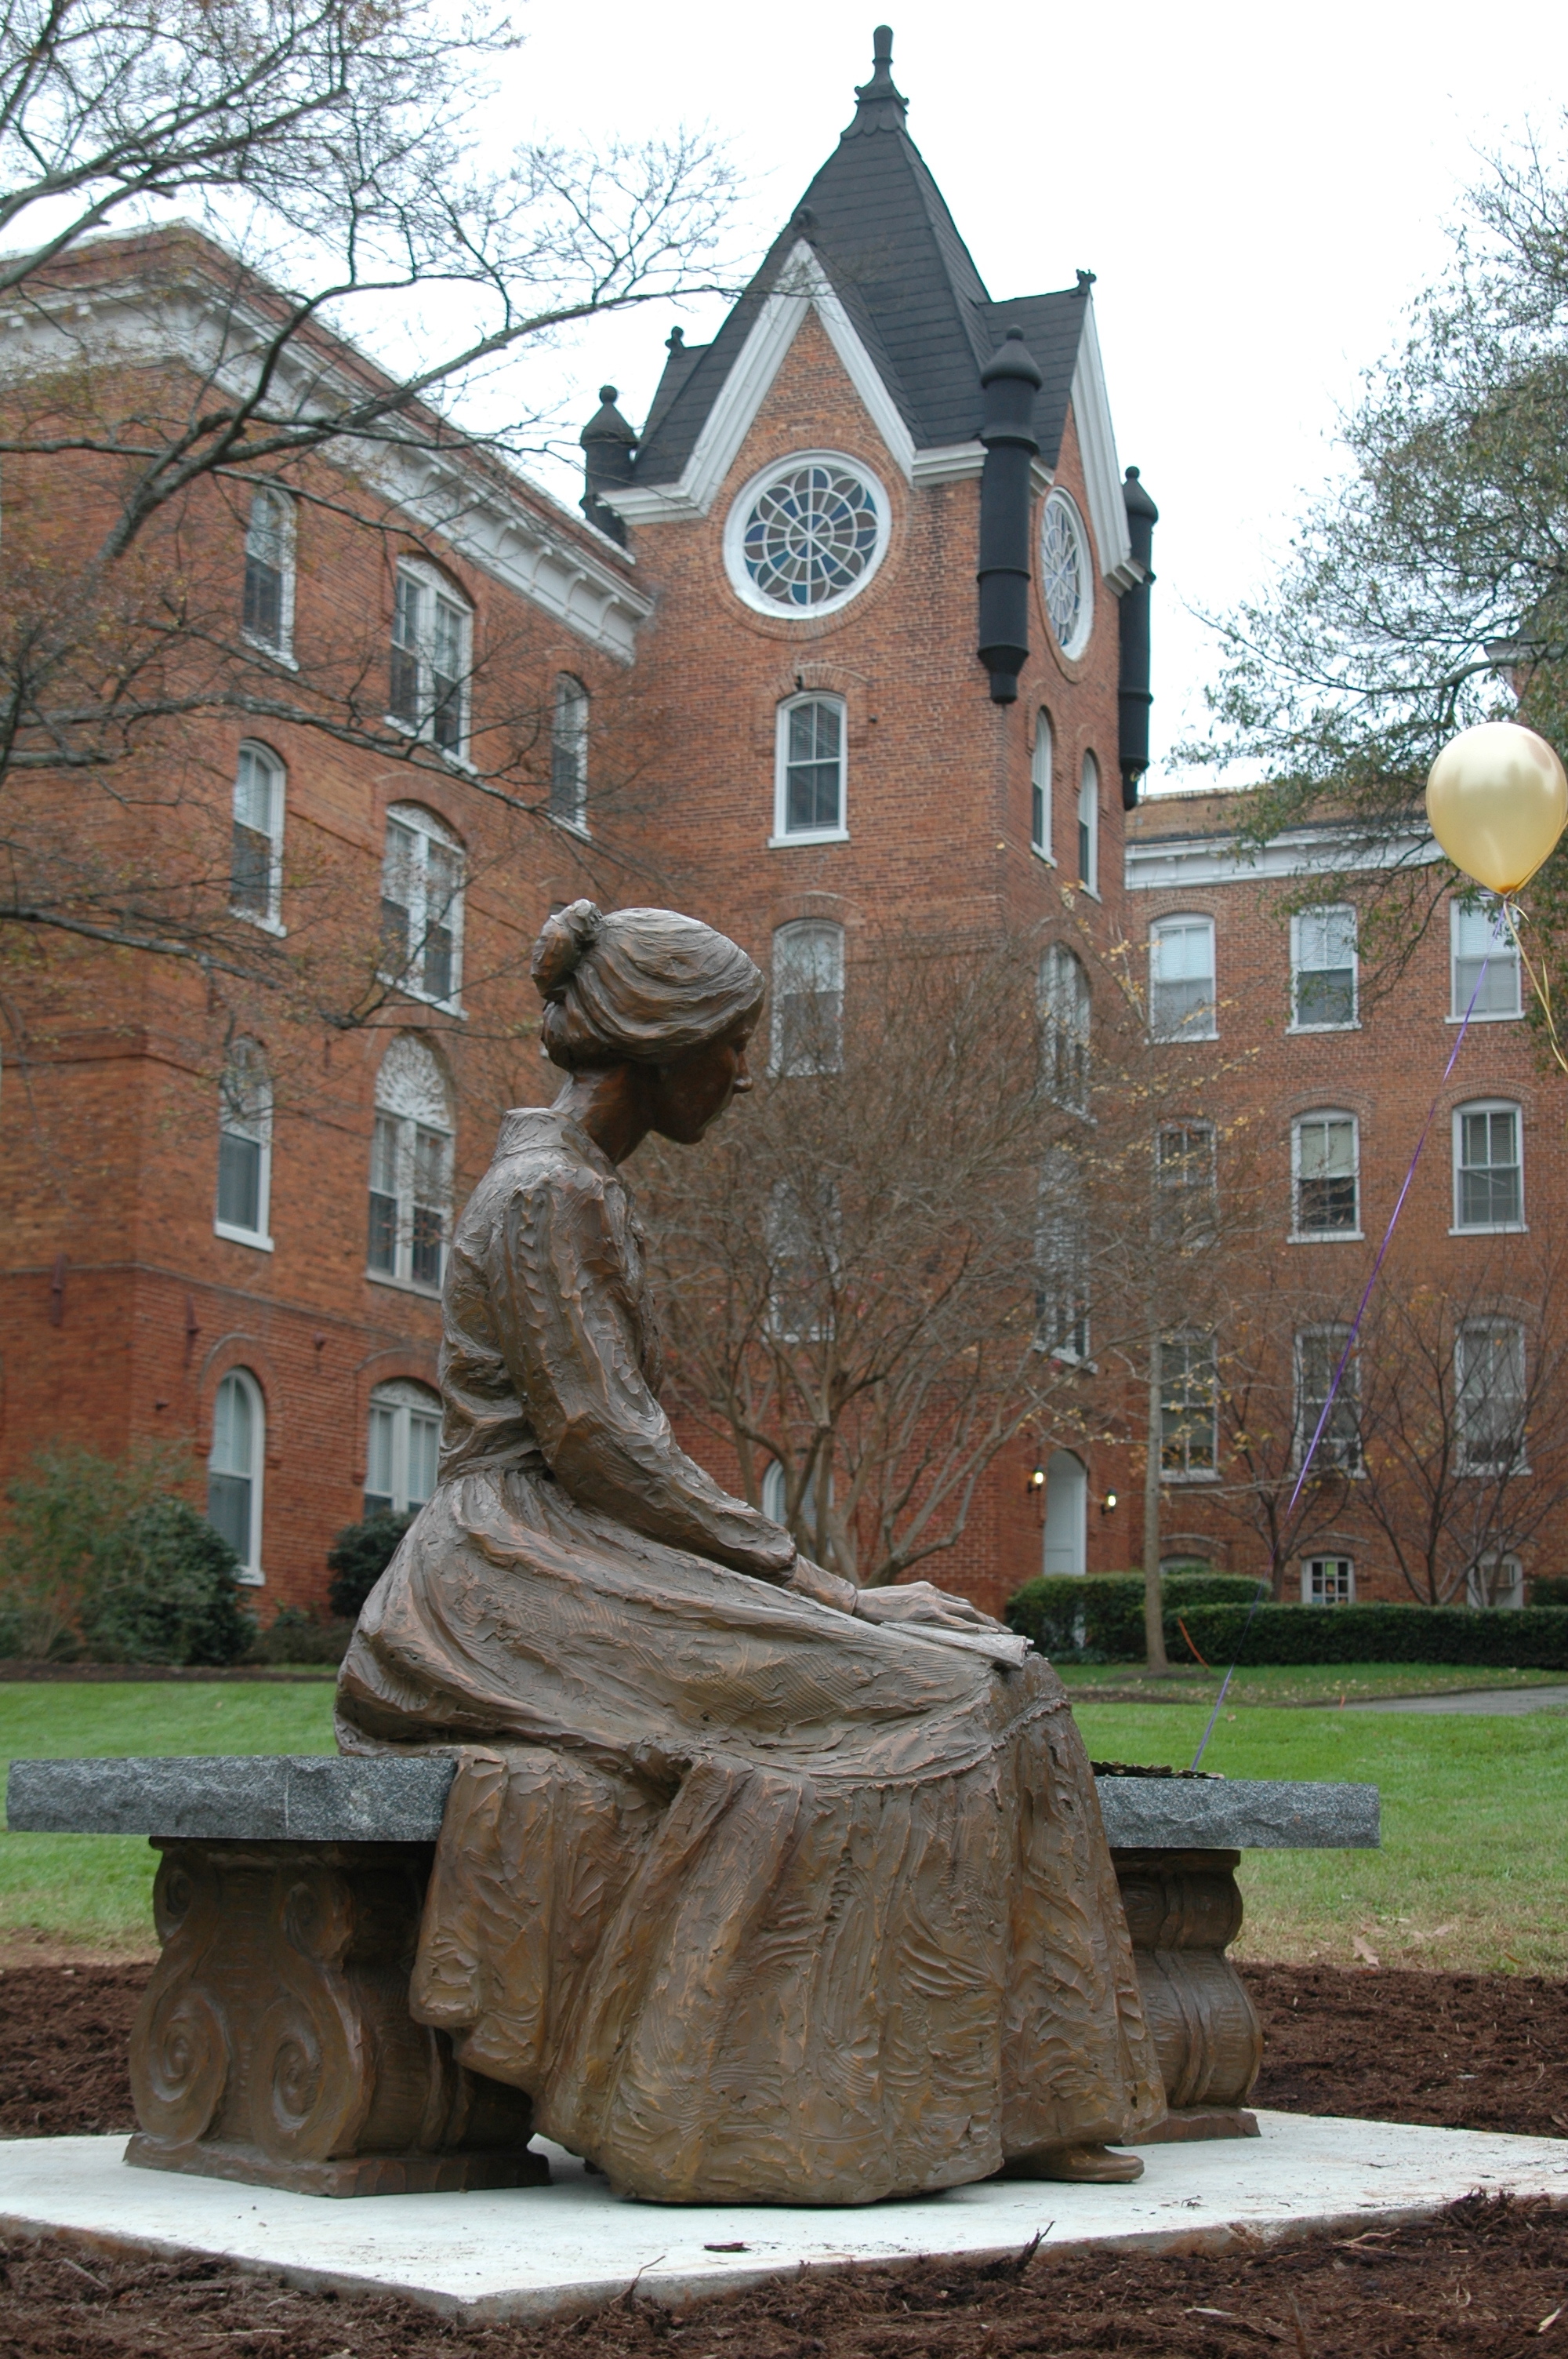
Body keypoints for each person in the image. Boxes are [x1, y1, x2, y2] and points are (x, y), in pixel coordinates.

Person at [337, 901, 1163, 2203]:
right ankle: (733, 2104)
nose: (746, 1071)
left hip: (577, 1555)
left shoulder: (581, 1186)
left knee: (994, 1669)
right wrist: (819, 1586)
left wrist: (820, 1590)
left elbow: (616, 1455)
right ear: (657, 1044)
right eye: (732, 1041)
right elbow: (602, 1445)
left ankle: (1019, 2089)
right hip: (508, 1580)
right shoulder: (550, 1194)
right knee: (947, 1690)